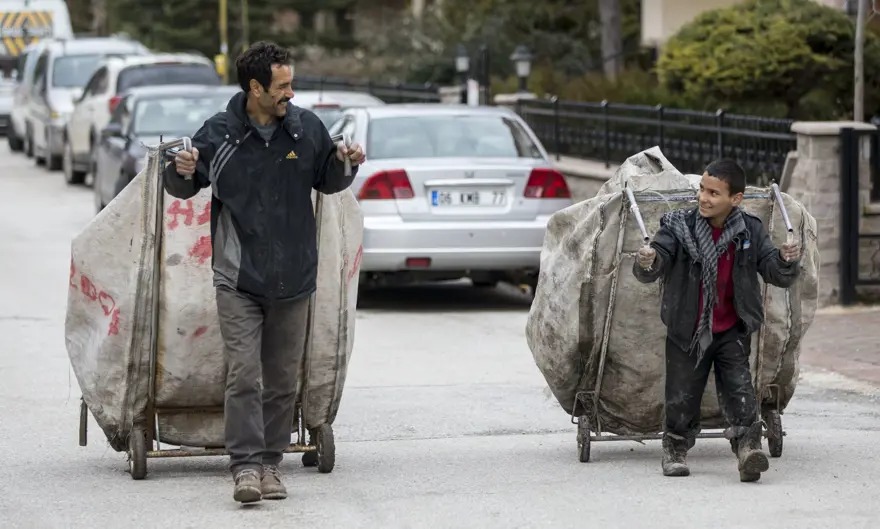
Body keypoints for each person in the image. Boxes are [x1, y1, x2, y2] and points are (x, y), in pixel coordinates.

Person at [162, 41, 365, 503]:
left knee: (281, 379)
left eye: (291, 84)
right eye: (282, 85)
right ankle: (245, 468)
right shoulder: (220, 134)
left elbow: (328, 180)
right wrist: (182, 169)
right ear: (255, 88)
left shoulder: (306, 130)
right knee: (244, 374)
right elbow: (183, 185)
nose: (291, 93)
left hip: (295, 277)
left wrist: (346, 163)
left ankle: (271, 465)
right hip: (238, 277)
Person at [632, 159, 800, 482]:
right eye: (702, 190)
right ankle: (675, 449)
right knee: (681, 395)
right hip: (688, 331)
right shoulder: (677, 227)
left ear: (735, 199)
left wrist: (784, 259)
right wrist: (648, 261)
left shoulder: (749, 230)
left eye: (713, 193)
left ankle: (748, 449)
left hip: (732, 329)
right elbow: (657, 263)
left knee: (741, 392)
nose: (704, 198)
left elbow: (773, 269)